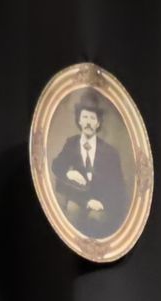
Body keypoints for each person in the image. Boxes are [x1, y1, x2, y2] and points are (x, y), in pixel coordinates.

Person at [49, 91, 130, 238]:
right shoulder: (71, 143)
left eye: (92, 118)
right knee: (72, 211)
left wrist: (102, 203)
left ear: (98, 123)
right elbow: (56, 165)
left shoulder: (110, 152)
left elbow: (117, 186)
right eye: (85, 117)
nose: (88, 122)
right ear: (79, 120)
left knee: (95, 219)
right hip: (78, 198)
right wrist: (69, 173)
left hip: (100, 203)